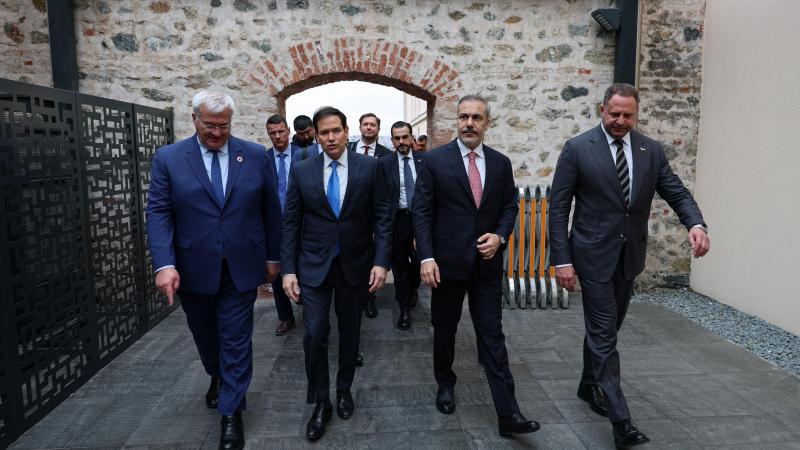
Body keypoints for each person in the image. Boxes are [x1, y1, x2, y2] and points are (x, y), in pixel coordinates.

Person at [550, 83, 710, 449]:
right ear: (601, 109)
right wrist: (562, 259)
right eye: (614, 114)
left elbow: (676, 191)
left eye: (628, 115)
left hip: (629, 257)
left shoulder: (650, 150)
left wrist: (696, 225)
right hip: (590, 256)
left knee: (609, 329)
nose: (620, 121)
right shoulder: (578, 149)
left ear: (636, 115)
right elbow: (559, 209)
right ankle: (622, 422)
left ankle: (588, 383)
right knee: (604, 333)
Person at [146, 90, 281, 450]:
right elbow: (158, 213)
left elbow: (271, 209)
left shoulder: (252, 155)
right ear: (194, 120)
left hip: (241, 266)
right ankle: (216, 374)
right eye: (210, 126)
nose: (217, 133)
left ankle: (231, 412)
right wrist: (164, 263)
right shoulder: (169, 159)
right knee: (206, 335)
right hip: (193, 267)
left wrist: (273, 255)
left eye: (224, 126)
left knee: (236, 337)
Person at [414, 94, 540, 437]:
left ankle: (508, 413)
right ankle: (445, 382)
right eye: (464, 117)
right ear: (456, 120)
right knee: (445, 330)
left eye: (477, 118)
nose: (469, 123)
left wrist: (500, 236)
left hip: (486, 267)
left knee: (492, 337)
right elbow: (422, 213)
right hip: (446, 266)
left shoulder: (500, 163)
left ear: (487, 123)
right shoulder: (435, 161)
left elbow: (510, 207)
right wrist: (426, 257)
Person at [281, 107, 392, 441]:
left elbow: (383, 217)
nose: (330, 138)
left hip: (355, 265)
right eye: (323, 132)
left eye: (335, 131)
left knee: (350, 332)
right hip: (313, 267)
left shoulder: (370, 168)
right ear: (316, 135)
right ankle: (320, 401)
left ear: (347, 132)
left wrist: (381, 261)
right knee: (314, 333)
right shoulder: (302, 171)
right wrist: (288, 269)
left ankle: (344, 388)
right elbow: (290, 222)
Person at [378, 121, 424, 330]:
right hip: (398, 220)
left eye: (405, 137)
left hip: (421, 220)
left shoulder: (425, 160)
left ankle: (413, 288)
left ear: (412, 137)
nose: (401, 142)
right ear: (392, 139)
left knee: (418, 262)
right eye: (397, 138)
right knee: (399, 269)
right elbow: (379, 197)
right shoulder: (385, 163)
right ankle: (404, 308)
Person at [346, 112, 391, 318]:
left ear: (378, 129)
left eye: (373, 125)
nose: (369, 128)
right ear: (360, 127)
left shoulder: (386, 154)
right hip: (350, 215)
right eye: (365, 124)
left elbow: (388, 189)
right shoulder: (348, 150)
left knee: (372, 259)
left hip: (373, 216)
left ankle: (369, 298)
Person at [265, 114, 299, 336]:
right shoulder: (262, 158)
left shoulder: (303, 155)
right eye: (273, 133)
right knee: (275, 272)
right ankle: (286, 317)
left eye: (281, 131)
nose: (277, 136)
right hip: (274, 225)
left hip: (301, 223)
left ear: (288, 131)